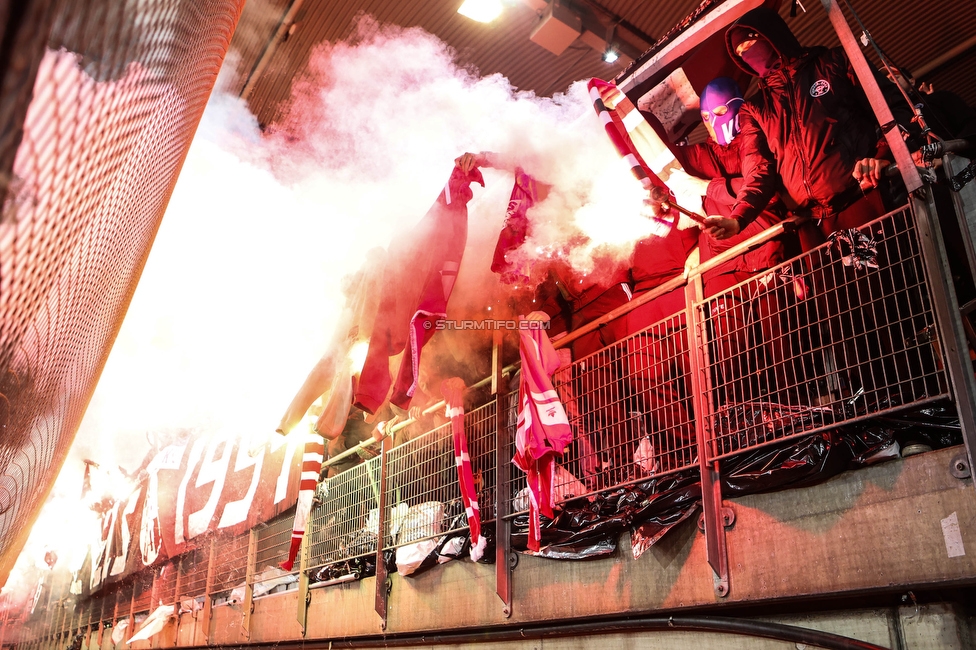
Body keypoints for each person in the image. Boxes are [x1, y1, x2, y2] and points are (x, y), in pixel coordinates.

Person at [705, 6, 914, 246]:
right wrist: (738, 219)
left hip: (863, 197)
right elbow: (758, 171)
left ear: (773, 35)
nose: (748, 54)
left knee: (892, 276)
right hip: (813, 224)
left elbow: (892, 109)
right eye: (742, 52)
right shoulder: (755, 109)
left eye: (751, 43)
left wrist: (883, 155)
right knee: (839, 285)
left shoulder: (835, 62)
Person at [672, 76, 796, 407]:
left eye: (719, 112)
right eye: (706, 117)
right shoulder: (704, 153)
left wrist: (708, 189)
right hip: (723, 269)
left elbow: (758, 180)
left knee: (783, 354)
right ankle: (750, 439)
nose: (713, 123)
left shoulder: (755, 136)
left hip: (764, 256)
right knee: (730, 364)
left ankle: (811, 433)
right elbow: (662, 158)